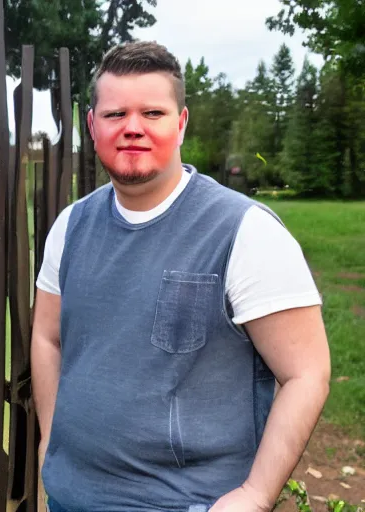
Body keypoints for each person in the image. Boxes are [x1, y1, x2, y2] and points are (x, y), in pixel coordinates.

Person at [31, 41, 331, 512]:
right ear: (92, 126)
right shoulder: (70, 227)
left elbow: (307, 373)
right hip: (71, 499)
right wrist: (51, 444)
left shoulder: (244, 232)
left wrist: (253, 496)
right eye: (114, 115)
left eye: (152, 113)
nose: (132, 128)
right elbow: (48, 339)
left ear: (181, 122)